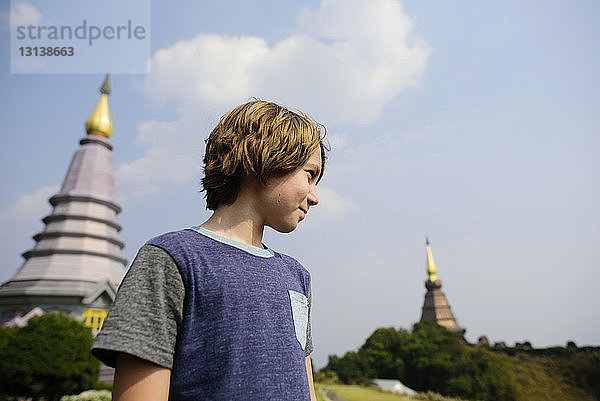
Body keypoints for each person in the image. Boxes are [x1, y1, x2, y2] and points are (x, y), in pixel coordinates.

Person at [91, 100, 328, 401]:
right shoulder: (171, 258)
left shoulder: (297, 275)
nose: (315, 196)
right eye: (310, 174)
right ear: (267, 162)